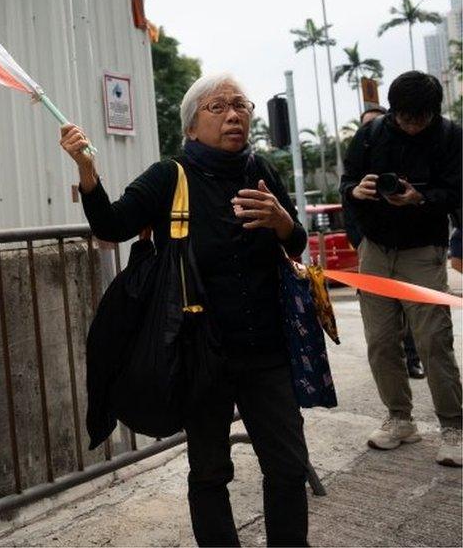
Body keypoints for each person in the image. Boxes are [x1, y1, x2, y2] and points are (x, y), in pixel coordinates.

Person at [61, 73, 311, 546]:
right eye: (218, 107)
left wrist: (281, 221)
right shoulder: (170, 175)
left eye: (240, 104)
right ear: (192, 127)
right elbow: (113, 225)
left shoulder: (262, 170)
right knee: (211, 471)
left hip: (265, 349)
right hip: (201, 353)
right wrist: (88, 173)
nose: (234, 115)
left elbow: (296, 242)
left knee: (287, 464)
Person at [340, 70, 462, 467]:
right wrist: (357, 194)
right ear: (393, 112)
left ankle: (454, 427)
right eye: (405, 117)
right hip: (375, 249)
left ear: (432, 112)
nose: (412, 125)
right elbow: (347, 186)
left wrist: (419, 198)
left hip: (423, 250)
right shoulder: (370, 136)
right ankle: (399, 418)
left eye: (420, 118)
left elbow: (456, 192)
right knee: (380, 340)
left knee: (433, 339)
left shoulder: (449, 137)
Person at [343, 106, 425, 380]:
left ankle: (413, 359)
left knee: (414, 315)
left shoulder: (405, 155)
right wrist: (361, 241)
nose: (374, 129)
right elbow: (348, 207)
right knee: (381, 330)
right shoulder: (359, 165)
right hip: (373, 250)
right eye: (369, 125)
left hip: (412, 249)